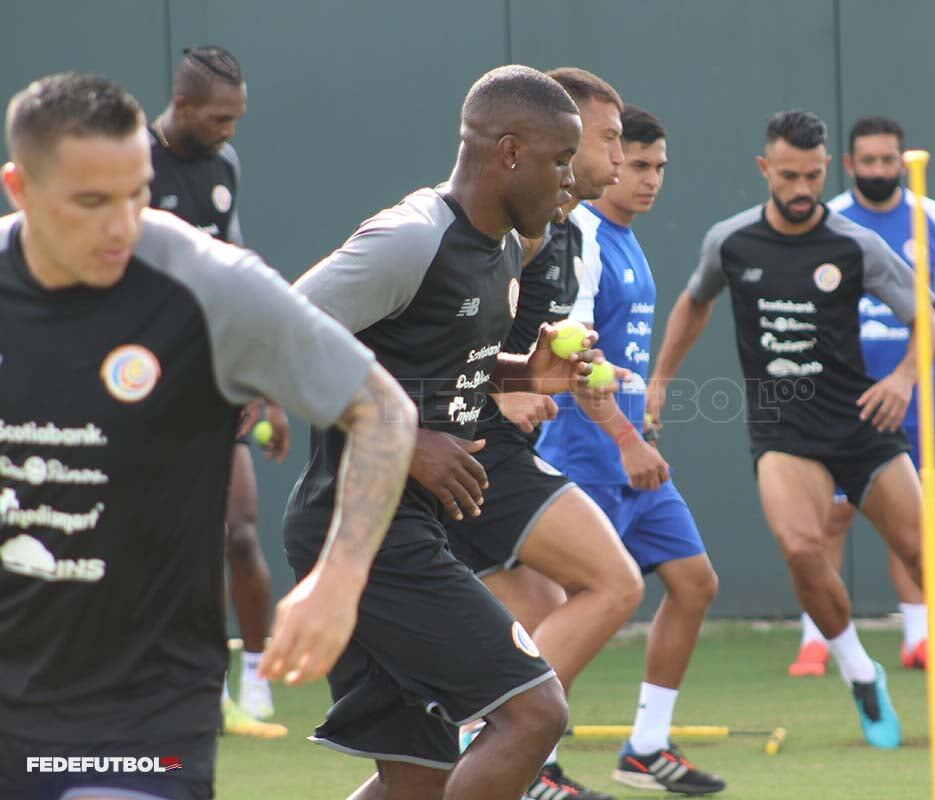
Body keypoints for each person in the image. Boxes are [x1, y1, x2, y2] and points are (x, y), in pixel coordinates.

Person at [0, 71, 416, 800]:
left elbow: (385, 411)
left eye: (136, 193)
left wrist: (339, 579)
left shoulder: (210, 285)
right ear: (20, 189)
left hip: (139, 710)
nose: (123, 225)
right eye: (92, 202)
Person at [648, 109, 935, 749]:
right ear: (765, 169)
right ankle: (859, 672)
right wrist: (660, 380)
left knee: (925, 560)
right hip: (782, 430)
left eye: (812, 176)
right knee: (800, 547)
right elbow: (694, 301)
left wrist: (902, 379)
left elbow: (927, 322)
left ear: (826, 171)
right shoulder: (730, 242)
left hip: (862, 427)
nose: (801, 189)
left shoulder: (855, 244)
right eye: (788, 175)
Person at [285, 65, 605, 800]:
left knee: (416, 780)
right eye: (562, 161)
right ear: (512, 153)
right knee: (533, 713)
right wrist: (404, 438)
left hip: (406, 527)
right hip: (361, 529)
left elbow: (444, 364)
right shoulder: (412, 237)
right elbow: (283, 336)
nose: (571, 181)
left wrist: (527, 373)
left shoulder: (502, 250)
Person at [443, 67, 643, 800]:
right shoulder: (510, 232)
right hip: (467, 451)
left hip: (487, 451)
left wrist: (544, 371)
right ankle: (483, 743)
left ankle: (494, 759)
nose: (619, 159)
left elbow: (511, 354)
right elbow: (446, 343)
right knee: (616, 583)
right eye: (611, 141)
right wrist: (509, 385)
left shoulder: (570, 237)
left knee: (549, 618)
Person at [538, 103, 727, 794]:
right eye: (632, 160)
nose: (645, 177)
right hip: (587, 457)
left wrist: (643, 414)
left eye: (657, 167)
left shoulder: (627, 237)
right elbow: (573, 359)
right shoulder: (581, 235)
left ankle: (645, 749)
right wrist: (622, 441)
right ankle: (532, 762)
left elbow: (620, 355)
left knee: (694, 582)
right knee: (572, 614)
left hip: (632, 452)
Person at [787, 115, 935, 678]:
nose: (881, 171)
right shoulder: (831, 219)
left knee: (909, 523)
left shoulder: (933, 217)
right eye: (869, 161)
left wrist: (908, 372)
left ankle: (918, 638)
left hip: (909, 396)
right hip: (840, 399)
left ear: (902, 157)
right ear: (849, 164)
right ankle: (817, 639)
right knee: (830, 518)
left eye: (890, 160)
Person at [148, 44, 285, 726]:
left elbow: (238, 273)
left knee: (236, 533)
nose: (231, 130)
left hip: (214, 382)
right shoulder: (132, 164)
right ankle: (187, 684)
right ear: (182, 108)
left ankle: (252, 683)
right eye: (220, 117)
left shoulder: (224, 164)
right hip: (139, 391)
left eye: (238, 117)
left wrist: (264, 386)